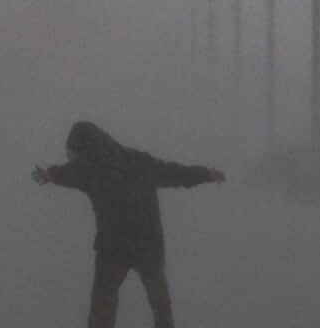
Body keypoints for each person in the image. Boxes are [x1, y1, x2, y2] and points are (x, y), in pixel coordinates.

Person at [32, 120, 226, 328]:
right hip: (140, 245)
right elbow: (174, 173)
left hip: (122, 247)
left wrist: (51, 174)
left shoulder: (92, 169)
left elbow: (174, 173)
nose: (72, 160)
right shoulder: (134, 162)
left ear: (85, 150)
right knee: (157, 306)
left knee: (111, 307)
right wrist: (206, 174)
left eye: (73, 155)